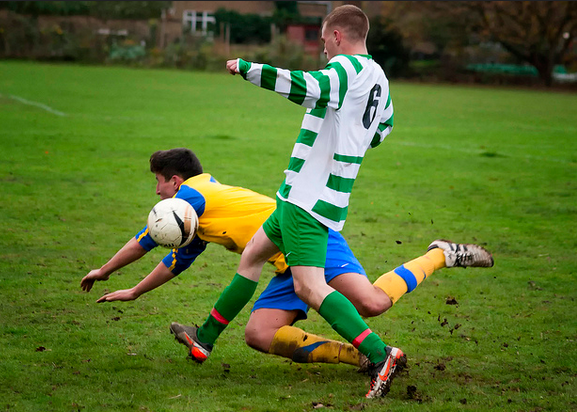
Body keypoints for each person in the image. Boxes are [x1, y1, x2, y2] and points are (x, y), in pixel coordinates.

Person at [174, 5, 493, 399]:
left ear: (338, 36)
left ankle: (380, 354)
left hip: (307, 199)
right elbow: (384, 127)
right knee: (252, 256)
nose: (323, 48)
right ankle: (204, 338)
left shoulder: (344, 69)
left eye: (325, 39)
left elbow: (306, 86)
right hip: (304, 196)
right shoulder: (379, 78)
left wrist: (248, 68)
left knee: (310, 288)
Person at [81, 148, 493, 376]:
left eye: (158, 182)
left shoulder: (193, 196)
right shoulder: (194, 222)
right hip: (285, 264)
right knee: (259, 334)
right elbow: (173, 262)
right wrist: (135, 291)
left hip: (308, 237)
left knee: (372, 303)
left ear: (175, 181)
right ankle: (364, 356)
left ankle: (439, 255)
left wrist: (105, 270)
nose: (157, 192)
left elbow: (146, 240)